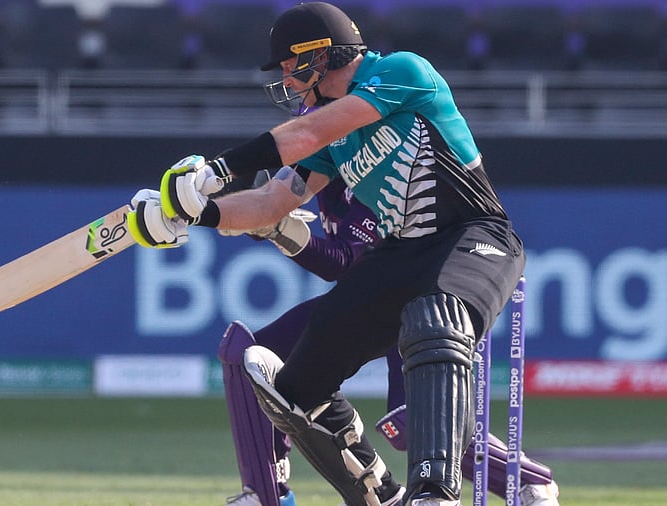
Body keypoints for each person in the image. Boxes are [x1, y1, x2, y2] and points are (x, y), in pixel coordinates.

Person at [128, 2, 534, 505]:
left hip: (476, 235)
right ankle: (381, 494)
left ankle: (434, 493)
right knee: (293, 386)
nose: (286, 80)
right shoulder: (325, 125)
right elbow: (272, 203)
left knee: (435, 317)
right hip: (400, 255)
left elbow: (307, 135)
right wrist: (194, 212)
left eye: (288, 66)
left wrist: (216, 170)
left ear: (320, 55)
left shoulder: (401, 71)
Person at [216, 173, 557, 506]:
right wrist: (213, 206)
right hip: (360, 304)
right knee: (247, 355)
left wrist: (282, 233)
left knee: (408, 424)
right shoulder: (319, 165)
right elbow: (263, 187)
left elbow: (343, 263)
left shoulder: (371, 171)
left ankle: (526, 479)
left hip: (414, 301)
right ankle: (267, 491)